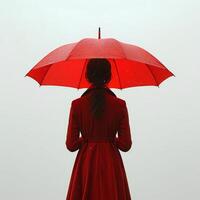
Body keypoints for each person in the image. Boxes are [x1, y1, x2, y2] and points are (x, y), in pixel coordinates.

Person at [65, 58, 132, 200]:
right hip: (111, 164)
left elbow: (71, 145)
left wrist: (88, 138)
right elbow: (125, 145)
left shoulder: (77, 105)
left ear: (88, 76)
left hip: (86, 163)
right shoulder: (120, 105)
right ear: (109, 76)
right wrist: (108, 138)